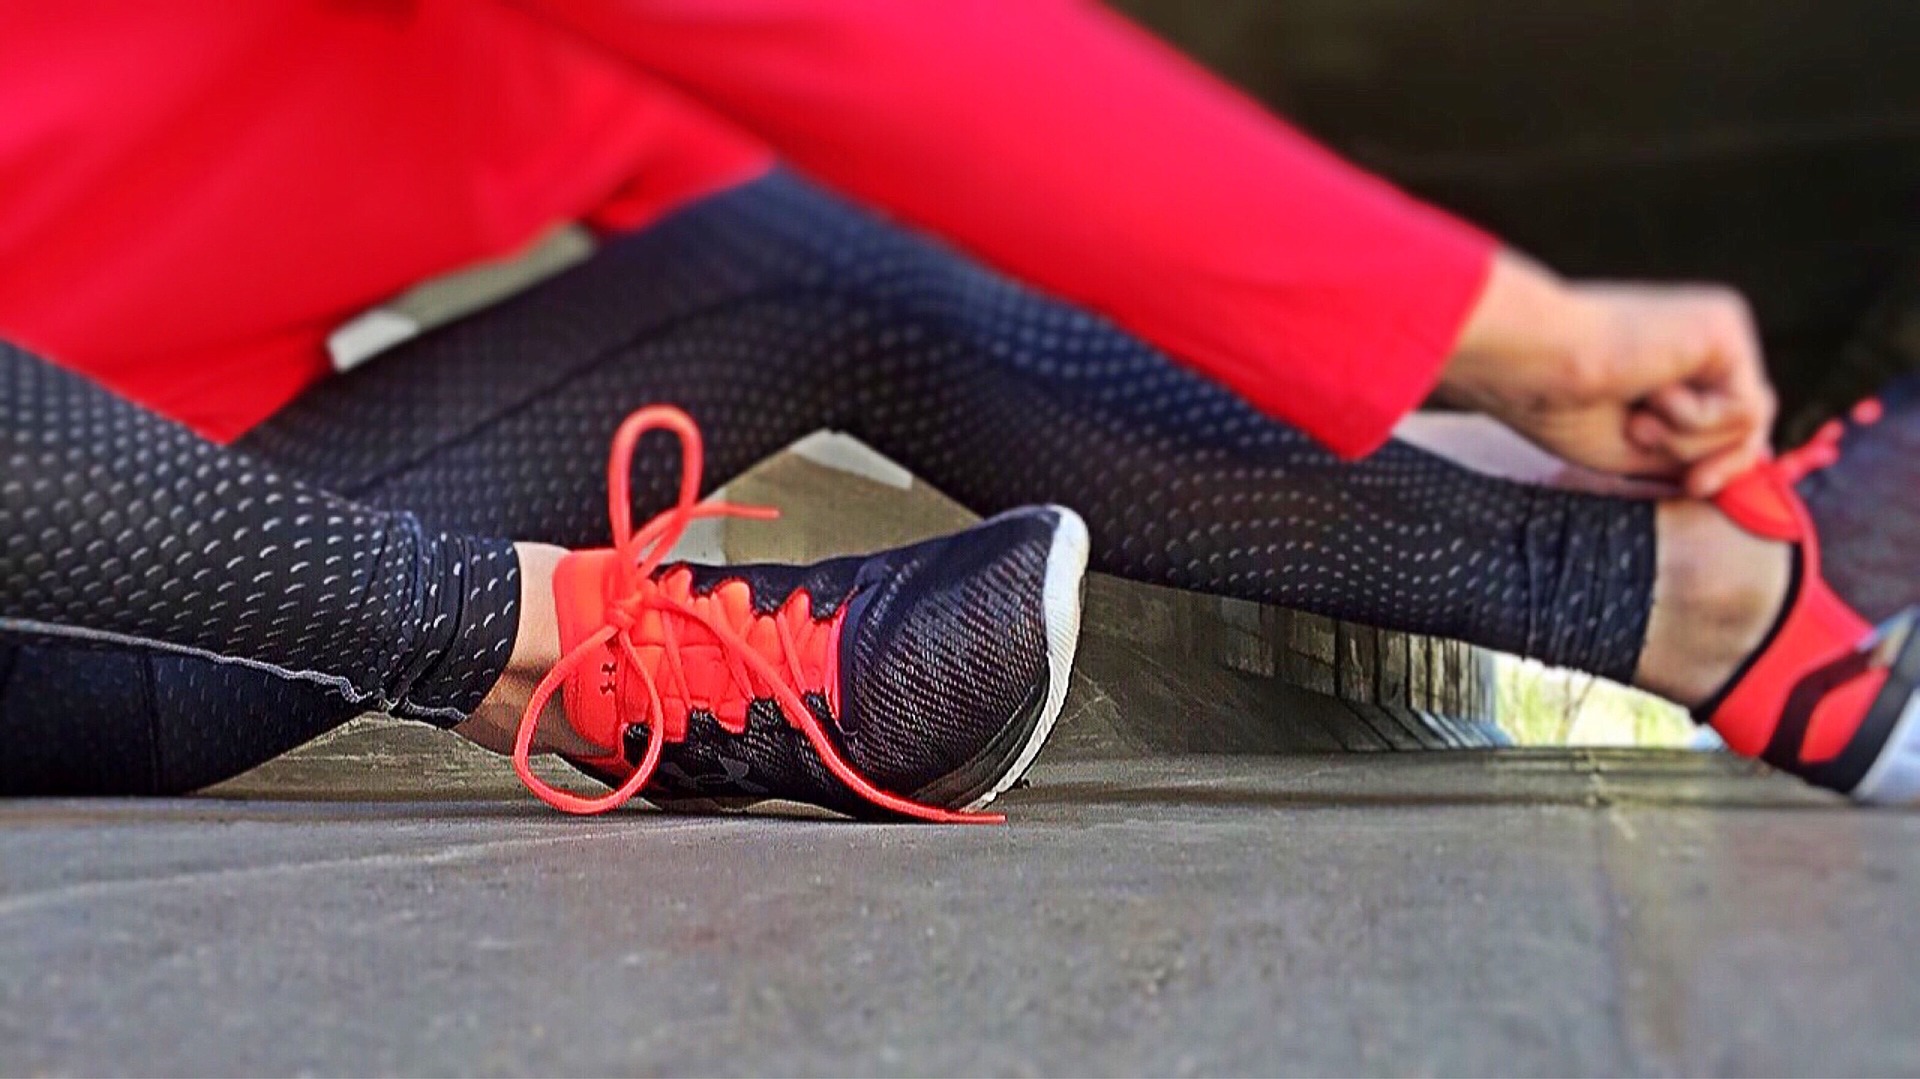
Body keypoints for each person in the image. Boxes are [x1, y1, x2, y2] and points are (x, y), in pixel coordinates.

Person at [0, 2, 1912, 816]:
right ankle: (549, 650)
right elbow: (908, 57)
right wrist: (1524, 332)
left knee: (833, 261)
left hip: (161, 554)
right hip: (77, 595)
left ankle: (1711, 611)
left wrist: (1444, 422)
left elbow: (958, 186)